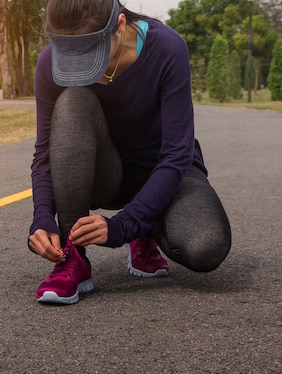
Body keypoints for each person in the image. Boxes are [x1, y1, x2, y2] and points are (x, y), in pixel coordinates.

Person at [29, 0, 231, 304]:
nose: (80, 66)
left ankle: (144, 229)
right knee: (72, 102)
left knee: (207, 246)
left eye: (90, 55)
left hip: (167, 171)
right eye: (71, 55)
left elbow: (176, 155)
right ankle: (73, 259)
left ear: (120, 25)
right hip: (107, 174)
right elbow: (45, 152)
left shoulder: (167, 48)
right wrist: (42, 217)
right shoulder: (49, 62)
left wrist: (125, 225)